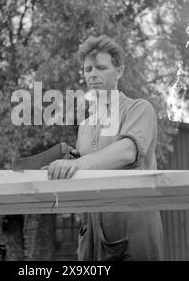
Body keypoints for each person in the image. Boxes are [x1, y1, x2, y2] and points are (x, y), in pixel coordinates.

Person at [47, 35, 164, 261]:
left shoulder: (139, 109)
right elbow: (83, 169)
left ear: (119, 71)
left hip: (133, 226)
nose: (92, 74)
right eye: (88, 69)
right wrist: (61, 167)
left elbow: (127, 151)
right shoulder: (85, 126)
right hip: (92, 231)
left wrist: (77, 164)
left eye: (101, 67)